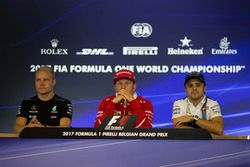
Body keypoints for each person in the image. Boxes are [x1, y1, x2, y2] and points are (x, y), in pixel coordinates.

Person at [13, 66, 73, 133]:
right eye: (38, 80)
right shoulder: (26, 103)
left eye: (45, 80)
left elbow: (65, 129)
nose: (41, 84)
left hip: (55, 143)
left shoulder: (64, 103)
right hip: (30, 143)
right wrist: (28, 127)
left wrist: (43, 128)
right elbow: (16, 128)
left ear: (53, 82)